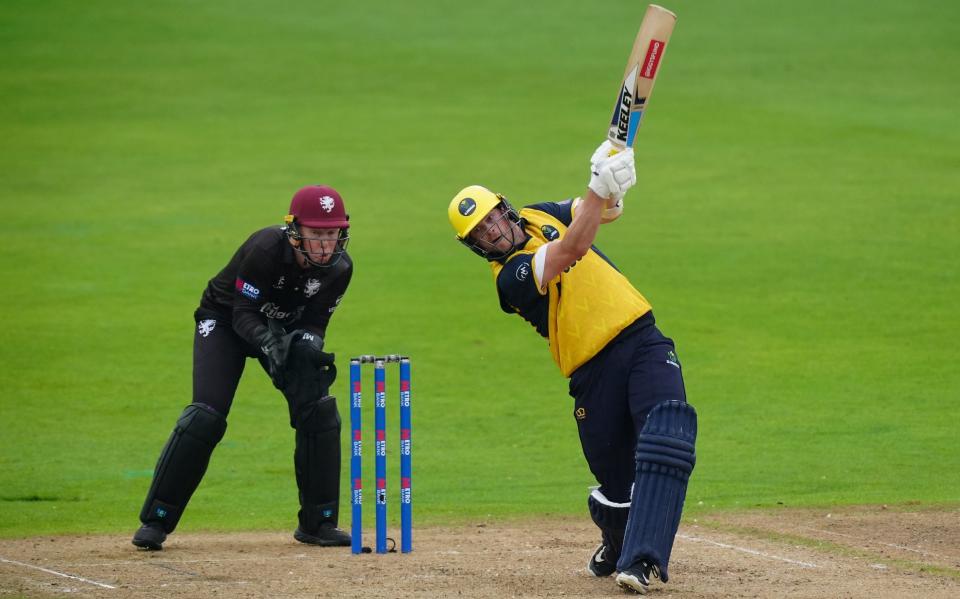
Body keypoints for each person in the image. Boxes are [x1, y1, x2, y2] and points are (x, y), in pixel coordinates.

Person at [446, 143, 697, 594]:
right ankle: (617, 541)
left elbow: (595, 212)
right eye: (481, 233)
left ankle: (644, 561)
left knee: (667, 435)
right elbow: (575, 245)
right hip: (591, 372)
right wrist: (597, 185)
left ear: (505, 208)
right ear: (475, 247)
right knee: (617, 481)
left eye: (492, 219)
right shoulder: (510, 278)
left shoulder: (539, 213)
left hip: (641, 339)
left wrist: (613, 187)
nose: (494, 232)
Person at [132, 185, 354, 551]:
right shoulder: (265, 247)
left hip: (283, 331)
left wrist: (307, 349)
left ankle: (319, 523)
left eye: (331, 234)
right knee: (205, 416)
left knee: (319, 409)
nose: (325, 245)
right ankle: (156, 521)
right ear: (295, 230)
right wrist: (269, 345)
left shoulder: (340, 269)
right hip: (224, 322)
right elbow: (242, 314)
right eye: (316, 234)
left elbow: (315, 324)